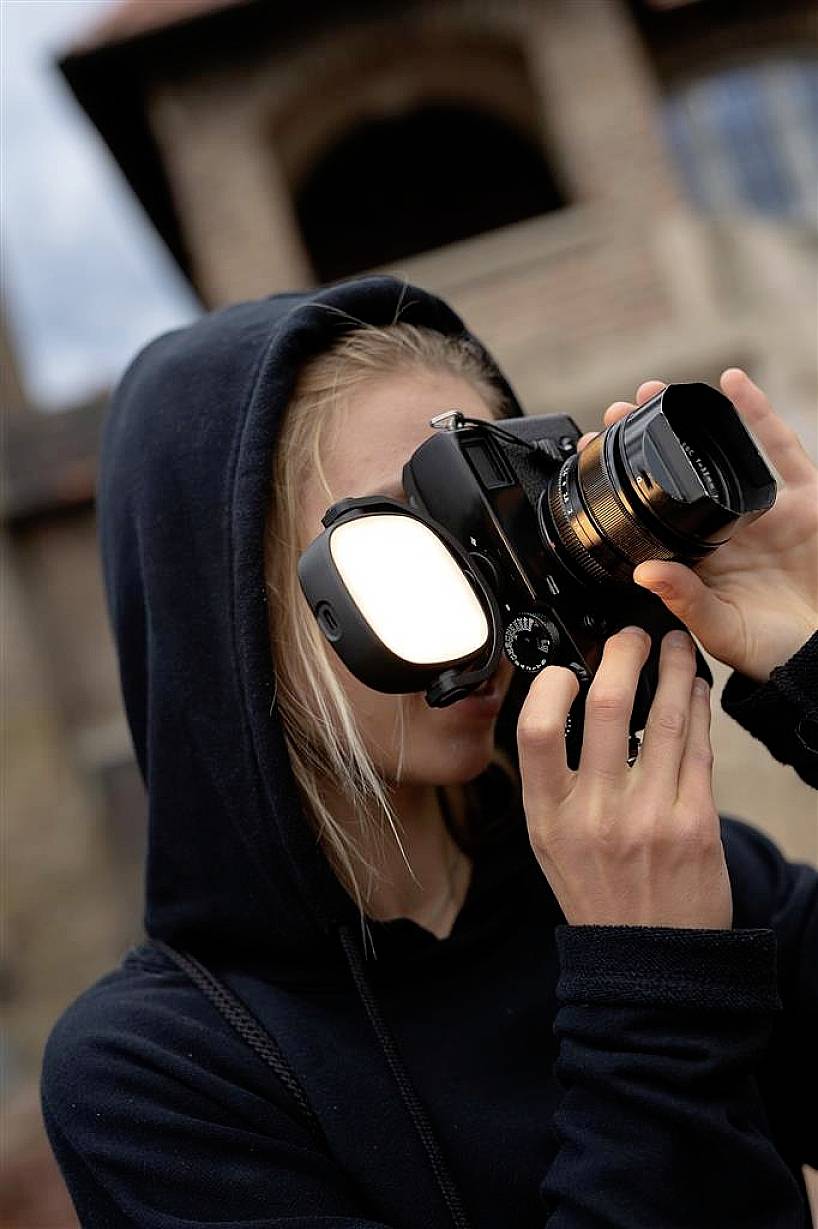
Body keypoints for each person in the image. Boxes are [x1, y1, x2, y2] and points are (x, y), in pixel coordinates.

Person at [41, 275, 818, 1228]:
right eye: (408, 539)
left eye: (501, 519)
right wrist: (650, 988)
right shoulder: (155, 1076)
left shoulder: (675, 878)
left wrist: (810, 664)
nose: (493, 603)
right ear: (226, 621)